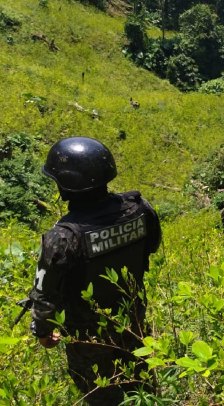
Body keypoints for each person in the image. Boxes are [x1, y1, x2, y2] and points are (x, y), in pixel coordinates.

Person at [28, 136, 162, 405]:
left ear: (65, 185)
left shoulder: (62, 237)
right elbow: (151, 246)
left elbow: (43, 293)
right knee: (142, 386)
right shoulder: (138, 209)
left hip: (89, 338)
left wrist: (43, 332)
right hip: (133, 318)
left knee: (102, 395)